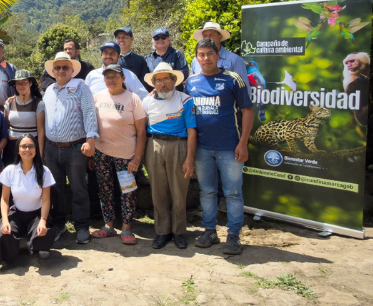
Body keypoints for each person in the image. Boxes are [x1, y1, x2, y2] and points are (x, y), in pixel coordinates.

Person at [186, 39, 253, 255]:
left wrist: (243, 143)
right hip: (202, 148)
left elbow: (248, 111)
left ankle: (233, 236)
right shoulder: (191, 82)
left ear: (217, 55)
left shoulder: (233, 80)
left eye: (210, 54)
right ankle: (209, 231)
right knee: (207, 191)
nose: (206, 58)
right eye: (201, 54)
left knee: (233, 193)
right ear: (196, 58)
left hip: (229, 147)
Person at [42, 52, 98, 244]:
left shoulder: (81, 86)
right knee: (55, 189)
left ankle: (82, 226)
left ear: (72, 70)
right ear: (53, 71)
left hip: (74, 148)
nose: (61, 70)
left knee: (78, 188)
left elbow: (90, 113)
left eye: (65, 67)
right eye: (57, 67)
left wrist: (91, 139)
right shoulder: (49, 90)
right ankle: (59, 225)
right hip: (51, 149)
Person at [89, 65, 147, 245]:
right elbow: (92, 124)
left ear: (123, 78)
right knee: (105, 190)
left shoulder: (133, 99)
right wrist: (92, 153)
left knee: (128, 192)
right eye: (108, 77)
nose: (111, 80)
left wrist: (137, 158)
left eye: (115, 77)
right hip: (102, 153)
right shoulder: (98, 97)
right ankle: (109, 226)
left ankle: (127, 228)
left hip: (126, 156)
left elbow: (142, 131)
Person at [142, 62, 197, 249]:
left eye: (166, 79)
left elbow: (192, 131)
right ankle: (162, 231)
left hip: (179, 146)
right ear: (154, 83)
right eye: (158, 80)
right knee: (158, 192)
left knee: (179, 192)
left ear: (174, 80)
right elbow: (140, 129)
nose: (162, 84)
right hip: (153, 145)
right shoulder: (146, 101)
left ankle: (179, 232)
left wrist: (190, 158)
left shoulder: (185, 100)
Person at [0, 135, 57, 268]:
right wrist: (5, 221)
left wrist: (43, 220)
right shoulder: (10, 171)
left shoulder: (44, 171)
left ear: (36, 150)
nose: (27, 149)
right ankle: (12, 250)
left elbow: (46, 200)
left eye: (31, 146)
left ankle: (38, 245)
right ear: (18, 150)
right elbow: (4, 199)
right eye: (23, 146)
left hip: (37, 214)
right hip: (17, 213)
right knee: (2, 234)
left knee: (44, 231)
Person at [3, 70, 45, 166]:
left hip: (30, 147)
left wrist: (41, 154)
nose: (21, 86)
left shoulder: (38, 104)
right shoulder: (10, 103)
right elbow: (6, 126)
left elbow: (41, 130)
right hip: (12, 147)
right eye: (18, 83)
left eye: (24, 83)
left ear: (30, 83)